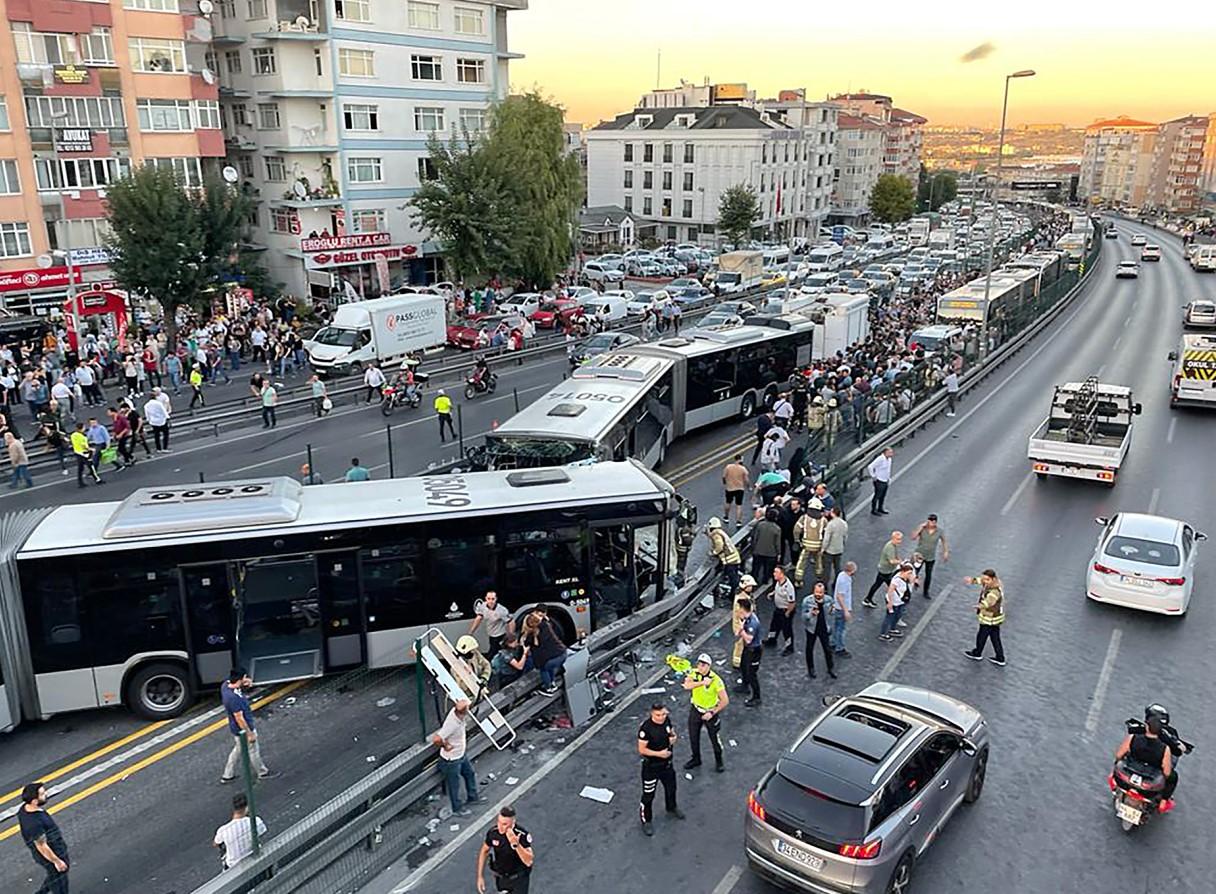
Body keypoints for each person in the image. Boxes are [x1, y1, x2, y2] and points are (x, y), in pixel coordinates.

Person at [219, 667, 278, 783]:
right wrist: (249, 733)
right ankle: (262, 772)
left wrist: (245, 683)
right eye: (245, 677)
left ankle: (227, 774)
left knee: (238, 749)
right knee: (253, 750)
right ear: (241, 679)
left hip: (235, 729)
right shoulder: (234, 699)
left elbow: (234, 683)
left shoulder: (225, 686)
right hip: (243, 729)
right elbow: (239, 718)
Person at [637, 703, 683, 836]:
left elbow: (672, 732)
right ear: (652, 714)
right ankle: (646, 820)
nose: (661, 717)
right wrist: (659, 754)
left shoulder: (667, 721)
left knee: (671, 788)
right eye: (658, 715)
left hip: (667, 765)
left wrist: (674, 738)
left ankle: (671, 807)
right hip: (651, 767)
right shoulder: (646, 729)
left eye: (663, 714)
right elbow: (642, 749)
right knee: (648, 795)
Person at [1114, 715, 1177, 809]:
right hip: (1147, 786)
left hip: (1127, 778)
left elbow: (1119, 755)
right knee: (1173, 777)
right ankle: (1164, 801)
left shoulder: (1133, 738)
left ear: (1146, 727)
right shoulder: (1164, 749)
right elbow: (1167, 773)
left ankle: (1114, 784)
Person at [432, 699, 480, 816]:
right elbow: (436, 739)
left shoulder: (458, 714)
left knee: (470, 773)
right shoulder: (452, 724)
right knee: (455, 785)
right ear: (464, 712)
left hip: (460, 755)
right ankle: (457, 808)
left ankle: (472, 797)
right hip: (451, 760)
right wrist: (445, 745)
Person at [19, 782, 69, 894]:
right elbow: (41, 845)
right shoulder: (33, 824)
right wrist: (57, 861)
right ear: (34, 801)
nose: (46, 794)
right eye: (42, 794)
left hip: (54, 848)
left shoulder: (25, 809)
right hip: (51, 853)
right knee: (60, 882)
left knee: (54, 876)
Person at [682, 653, 727, 772]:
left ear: (709, 666)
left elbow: (725, 700)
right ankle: (696, 759)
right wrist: (702, 683)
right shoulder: (694, 673)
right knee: (693, 736)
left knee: (714, 738)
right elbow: (686, 686)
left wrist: (712, 712)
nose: (700, 667)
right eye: (699, 664)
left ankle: (719, 761)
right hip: (696, 709)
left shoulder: (716, 680)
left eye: (703, 665)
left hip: (710, 712)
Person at [477, 806, 534, 894]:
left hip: (518, 879)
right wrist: (480, 876)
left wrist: (516, 845)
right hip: (501, 878)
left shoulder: (521, 835)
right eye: (499, 822)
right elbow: (484, 851)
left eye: (504, 824)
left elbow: (529, 861)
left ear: (513, 822)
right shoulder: (493, 833)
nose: (500, 827)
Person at [213, 793, 268, 871]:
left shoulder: (223, 830)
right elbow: (262, 831)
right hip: (254, 860)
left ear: (233, 808)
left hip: (233, 866)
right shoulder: (255, 821)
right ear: (247, 807)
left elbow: (215, 843)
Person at [962, 569, 1006, 666]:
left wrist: (981, 605)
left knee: (982, 636)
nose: (984, 581)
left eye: (986, 580)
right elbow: (980, 580)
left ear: (993, 579)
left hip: (990, 618)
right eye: (984, 579)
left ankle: (977, 653)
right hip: (996, 618)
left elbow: (990, 601)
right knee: (995, 637)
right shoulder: (991, 583)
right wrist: (972, 580)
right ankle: (1000, 657)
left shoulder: (994, 591)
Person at [526, 607, 567, 695]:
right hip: (562, 653)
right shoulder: (546, 626)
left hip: (553, 658)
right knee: (550, 667)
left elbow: (538, 658)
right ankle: (552, 683)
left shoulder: (533, 637)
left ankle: (548, 688)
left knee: (544, 669)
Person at [801, 581, 837, 679]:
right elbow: (803, 617)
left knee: (827, 649)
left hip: (824, 628)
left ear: (824, 592)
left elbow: (833, 612)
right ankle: (811, 669)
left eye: (820, 593)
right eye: (816, 592)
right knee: (809, 649)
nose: (818, 595)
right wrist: (811, 614)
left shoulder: (829, 600)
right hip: (811, 628)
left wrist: (832, 610)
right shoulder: (807, 601)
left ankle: (830, 668)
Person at [910, 514, 949, 599]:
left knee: (928, 575)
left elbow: (944, 541)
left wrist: (945, 552)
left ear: (935, 522)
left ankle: (926, 592)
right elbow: (913, 537)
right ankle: (908, 591)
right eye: (930, 521)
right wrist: (920, 527)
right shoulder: (923, 529)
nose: (931, 523)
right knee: (913, 573)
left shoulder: (939, 531)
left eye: (933, 522)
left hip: (930, 556)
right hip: (919, 555)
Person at [863, 531, 903, 608]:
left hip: (886, 570)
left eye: (900, 539)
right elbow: (892, 561)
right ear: (893, 538)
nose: (900, 541)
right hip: (885, 571)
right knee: (892, 586)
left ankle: (868, 599)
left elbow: (895, 556)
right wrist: (900, 562)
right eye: (898, 539)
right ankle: (893, 602)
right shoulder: (890, 547)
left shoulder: (893, 545)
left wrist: (898, 559)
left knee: (878, 584)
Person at [792, 498, 827, 587]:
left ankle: (798, 580)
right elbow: (826, 533)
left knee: (801, 563)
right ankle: (819, 578)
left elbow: (796, 529)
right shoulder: (823, 520)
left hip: (806, 545)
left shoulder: (804, 518)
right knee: (819, 562)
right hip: (818, 545)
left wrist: (797, 540)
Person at [470, 590, 514, 657]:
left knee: (494, 652)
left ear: (496, 599)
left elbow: (511, 622)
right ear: (485, 598)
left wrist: (511, 635)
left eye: (493, 599)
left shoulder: (502, 610)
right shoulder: (483, 606)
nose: (491, 601)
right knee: (494, 650)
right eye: (489, 599)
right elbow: (478, 618)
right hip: (491, 634)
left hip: (499, 634)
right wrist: (471, 632)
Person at [736, 597, 763, 707]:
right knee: (743, 666)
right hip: (748, 648)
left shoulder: (753, 623)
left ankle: (757, 697)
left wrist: (742, 630)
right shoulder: (746, 619)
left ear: (743, 610)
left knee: (752, 674)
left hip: (754, 650)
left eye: (739, 609)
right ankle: (745, 686)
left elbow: (748, 639)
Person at [878, 563, 915, 641]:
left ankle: (892, 629)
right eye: (908, 573)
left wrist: (912, 577)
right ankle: (883, 633)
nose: (910, 575)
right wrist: (890, 602)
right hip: (893, 601)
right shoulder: (896, 580)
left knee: (898, 615)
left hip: (900, 601)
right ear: (903, 572)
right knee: (889, 617)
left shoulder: (906, 578)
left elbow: (912, 582)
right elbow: (890, 591)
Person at [705, 517, 742, 594]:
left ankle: (735, 593)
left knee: (733, 578)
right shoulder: (720, 532)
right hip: (734, 558)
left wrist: (714, 552)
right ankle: (735, 592)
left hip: (730, 560)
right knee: (734, 576)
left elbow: (719, 546)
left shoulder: (716, 534)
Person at [730, 574, 757, 672]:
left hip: (742, 624)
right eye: (750, 586)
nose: (751, 588)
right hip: (741, 625)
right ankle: (737, 662)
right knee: (740, 644)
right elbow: (742, 614)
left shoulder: (743, 596)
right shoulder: (742, 599)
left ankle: (739, 660)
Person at [766, 565, 796, 655]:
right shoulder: (778, 582)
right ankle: (772, 640)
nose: (774, 574)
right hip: (778, 609)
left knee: (786, 629)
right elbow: (777, 590)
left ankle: (789, 647)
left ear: (782, 574)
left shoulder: (789, 587)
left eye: (776, 572)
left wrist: (788, 612)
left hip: (785, 610)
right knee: (774, 625)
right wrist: (772, 593)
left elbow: (792, 602)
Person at [750, 507, 782, 586]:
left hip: (758, 550)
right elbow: (777, 543)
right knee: (767, 568)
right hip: (771, 553)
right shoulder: (777, 529)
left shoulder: (760, 525)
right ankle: (765, 580)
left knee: (756, 567)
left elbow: (755, 537)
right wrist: (779, 553)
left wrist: (753, 548)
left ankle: (754, 580)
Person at [832, 562, 856, 658]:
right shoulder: (844, 580)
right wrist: (846, 610)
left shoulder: (841, 575)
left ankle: (833, 642)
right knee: (841, 629)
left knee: (836, 626)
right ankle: (840, 648)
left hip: (837, 607)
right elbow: (840, 596)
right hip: (841, 608)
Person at [721, 454, 750, 528]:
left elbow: (724, 476)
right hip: (739, 489)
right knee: (738, 505)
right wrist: (748, 486)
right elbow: (746, 480)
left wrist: (725, 483)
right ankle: (738, 521)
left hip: (730, 488)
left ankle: (726, 517)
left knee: (728, 502)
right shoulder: (743, 469)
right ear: (740, 459)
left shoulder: (728, 467)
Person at [821, 507, 849, 582]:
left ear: (833, 513)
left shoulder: (830, 524)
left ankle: (825, 584)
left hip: (830, 550)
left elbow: (827, 539)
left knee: (827, 568)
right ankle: (836, 582)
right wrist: (842, 545)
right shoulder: (844, 523)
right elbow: (845, 536)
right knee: (837, 567)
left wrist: (823, 549)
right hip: (839, 549)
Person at [70, 422, 101, 488]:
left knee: (80, 468)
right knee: (91, 466)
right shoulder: (83, 437)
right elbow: (85, 446)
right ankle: (97, 479)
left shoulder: (73, 435)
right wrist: (92, 449)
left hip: (77, 452)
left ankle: (80, 482)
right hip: (85, 453)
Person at [868, 446, 894, 515]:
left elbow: (888, 470)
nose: (891, 454)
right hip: (879, 480)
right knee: (877, 495)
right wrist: (873, 476)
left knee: (883, 495)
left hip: (885, 480)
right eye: (890, 452)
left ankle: (880, 508)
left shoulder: (889, 459)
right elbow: (870, 466)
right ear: (885, 453)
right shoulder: (880, 459)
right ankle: (873, 510)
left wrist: (888, 478)